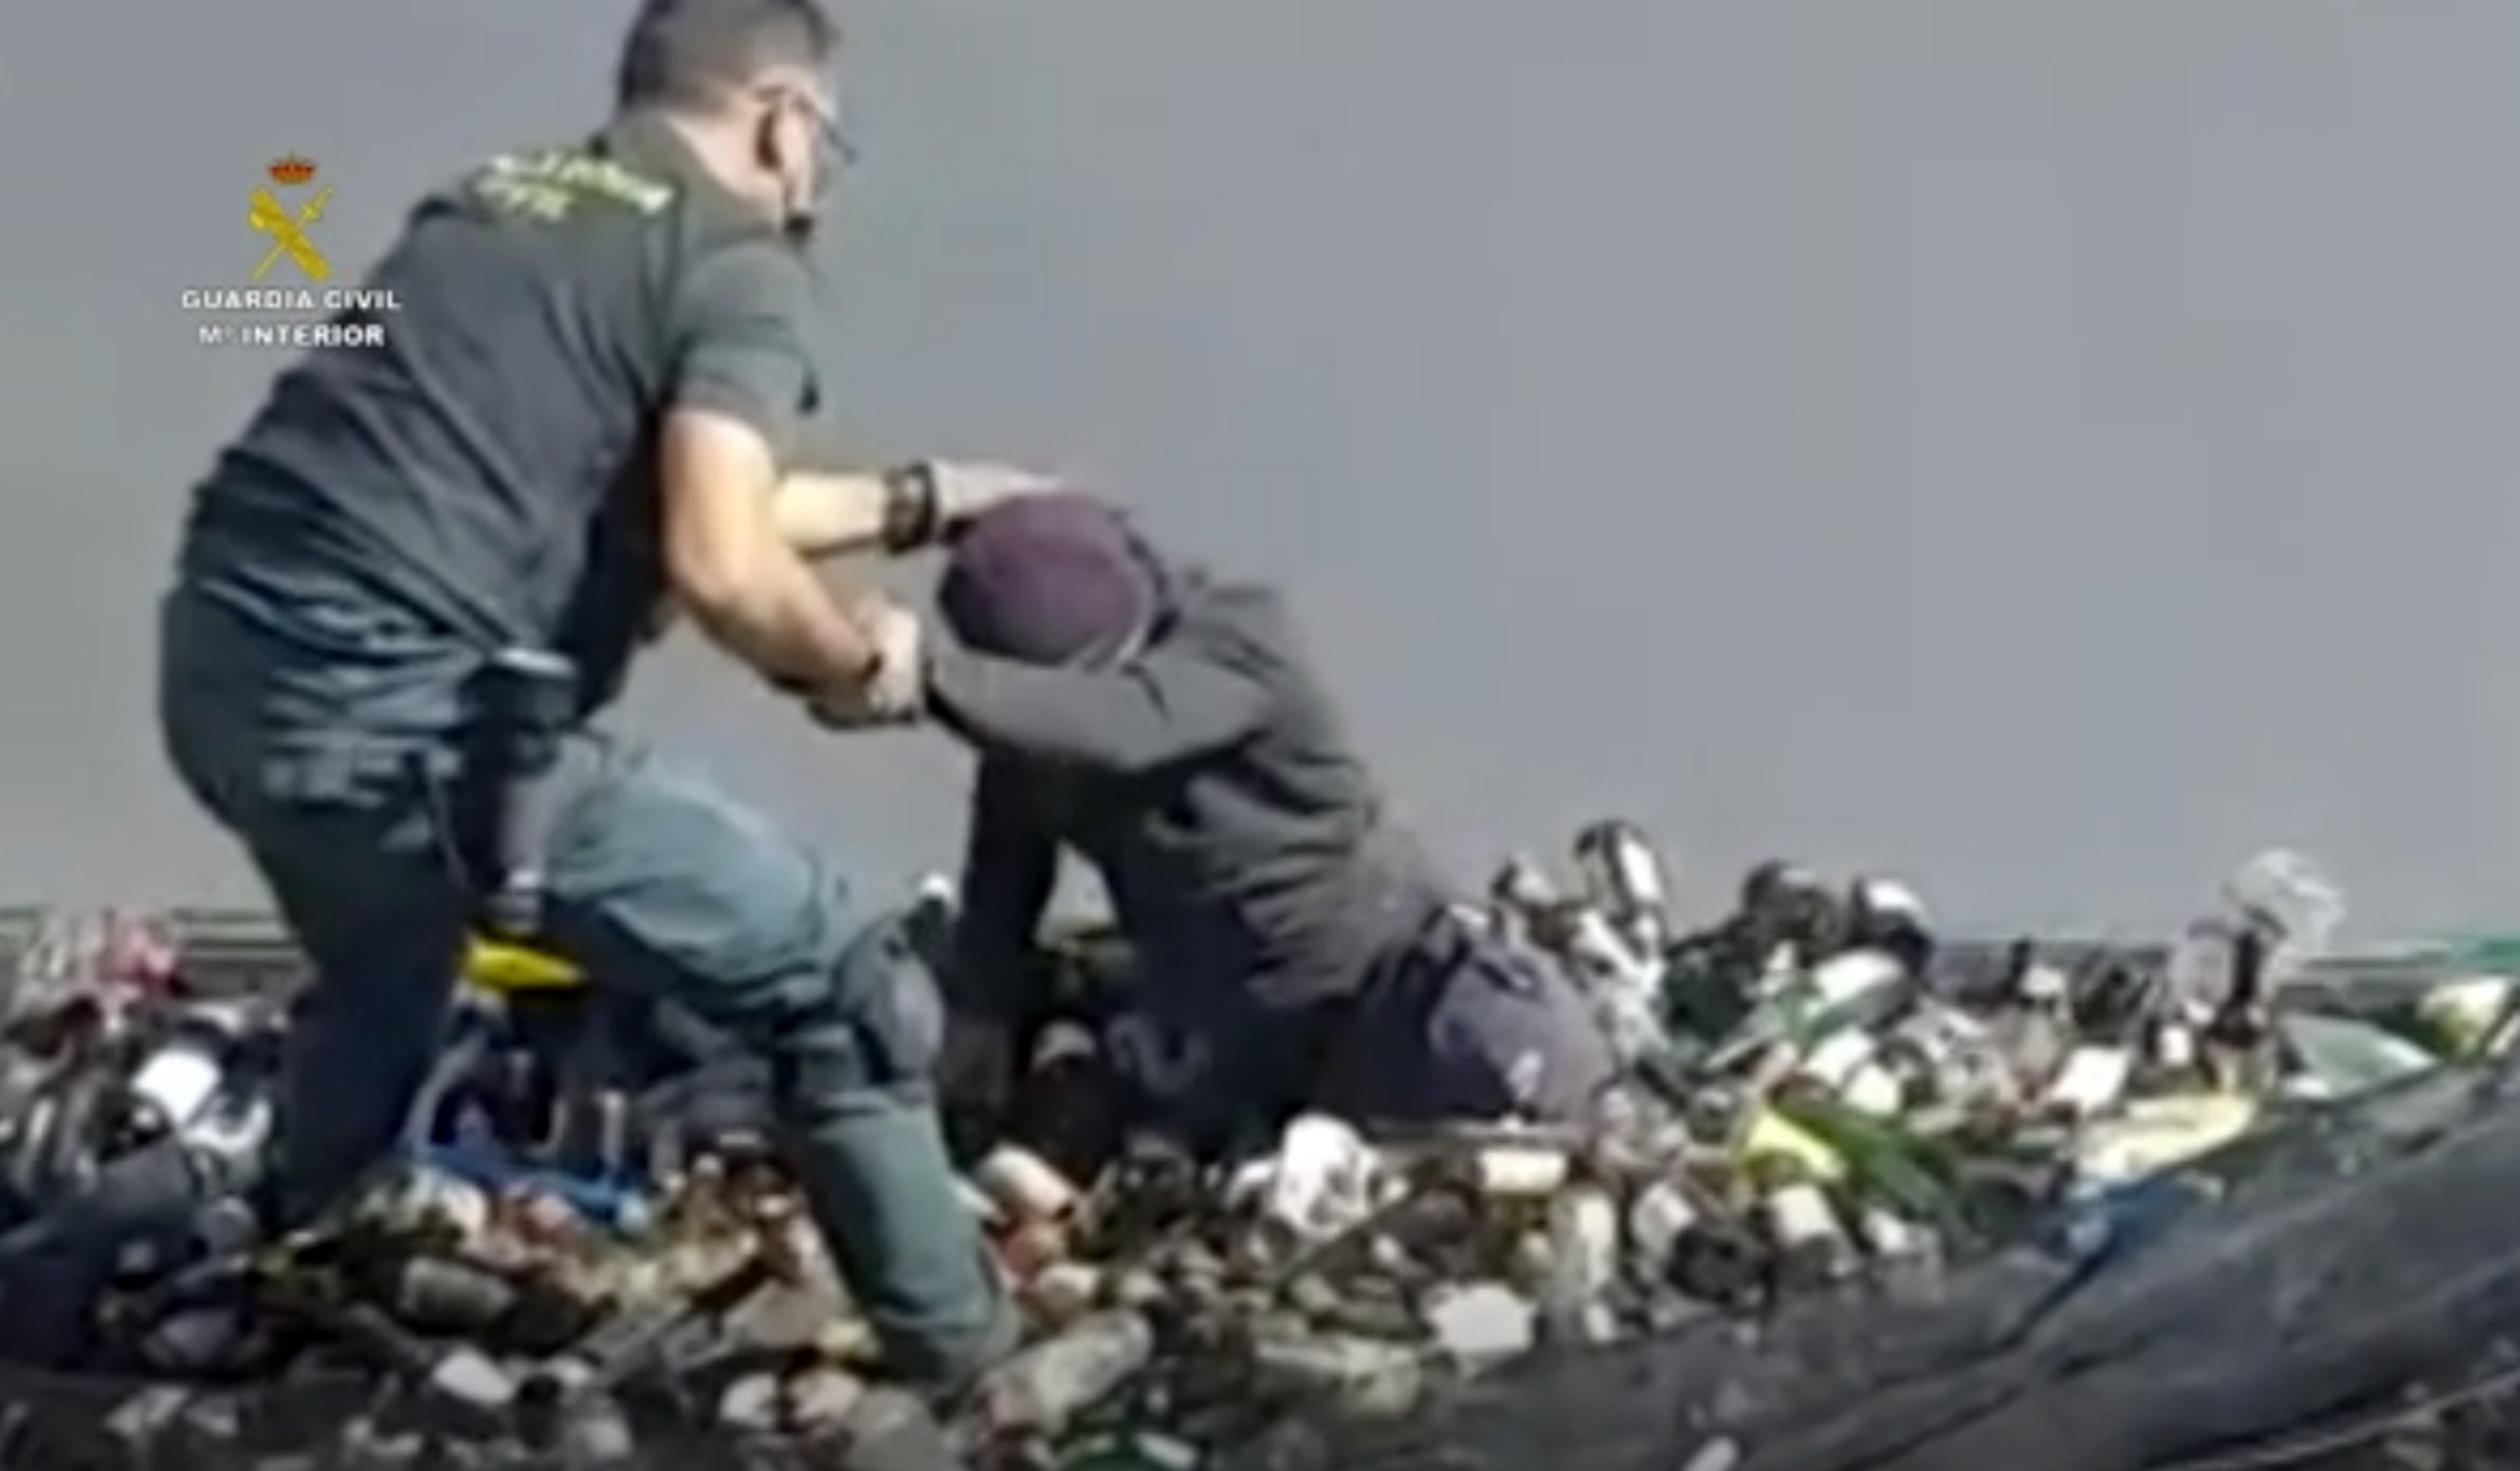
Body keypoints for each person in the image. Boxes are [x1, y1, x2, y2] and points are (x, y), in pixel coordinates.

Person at [134, 0, 1037, 1389]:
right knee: (848, 983)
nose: (820, 179)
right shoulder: (733, 261)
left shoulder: (492, 205)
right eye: (827, 144)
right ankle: (973, 1374)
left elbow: (651, 495)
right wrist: (866, 666)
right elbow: (720, 559)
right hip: (409, 716)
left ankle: (276, 1269)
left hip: (221, 673)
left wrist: (927, 501)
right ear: (783, 121)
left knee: (387, 981)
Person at [877, 494, 1620, 1152]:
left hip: (1384, 989)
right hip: (1232, 1039)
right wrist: (985, 1010)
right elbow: (1007, 872)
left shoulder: (1240, 642)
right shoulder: (1037, 740)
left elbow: (1131, 723)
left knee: (1542, 1117)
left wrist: (931, 678)